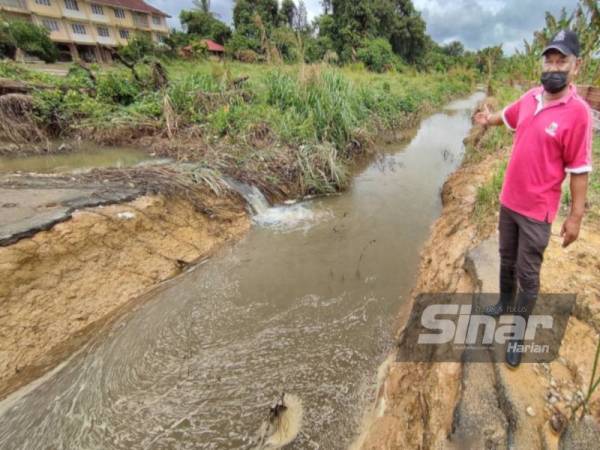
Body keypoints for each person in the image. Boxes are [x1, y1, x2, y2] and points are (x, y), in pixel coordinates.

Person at [473, 29, 593, 368]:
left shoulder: (578, 113)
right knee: (505, 258)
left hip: (537, 211)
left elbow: (580, 169)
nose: (554, 67)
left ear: (576, 66)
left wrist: (576, 216)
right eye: (549, 60)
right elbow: (505, 116)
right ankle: (502, 305)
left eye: (562, 61)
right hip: (509, 201)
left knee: (528, 273)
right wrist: (487, 119)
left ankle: (517, 334)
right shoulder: (530, 98)